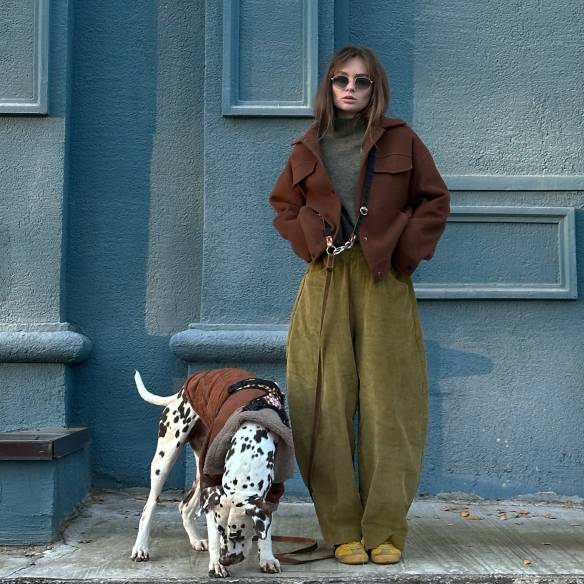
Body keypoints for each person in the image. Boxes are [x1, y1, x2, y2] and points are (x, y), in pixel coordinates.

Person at [268, 46, 450, 565]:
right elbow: (284, 206)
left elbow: (434, 200)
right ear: (329, 86)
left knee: (391, 404)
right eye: (341, 80)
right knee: (321, 404)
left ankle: (385, 528)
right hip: (325, 280)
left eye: (361, 81)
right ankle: (342, 529)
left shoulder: (402, 140)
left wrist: (403, 253)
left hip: (384, 281)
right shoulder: (308, 146)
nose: (350, 88)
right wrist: (312, 240)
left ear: (375, 89)